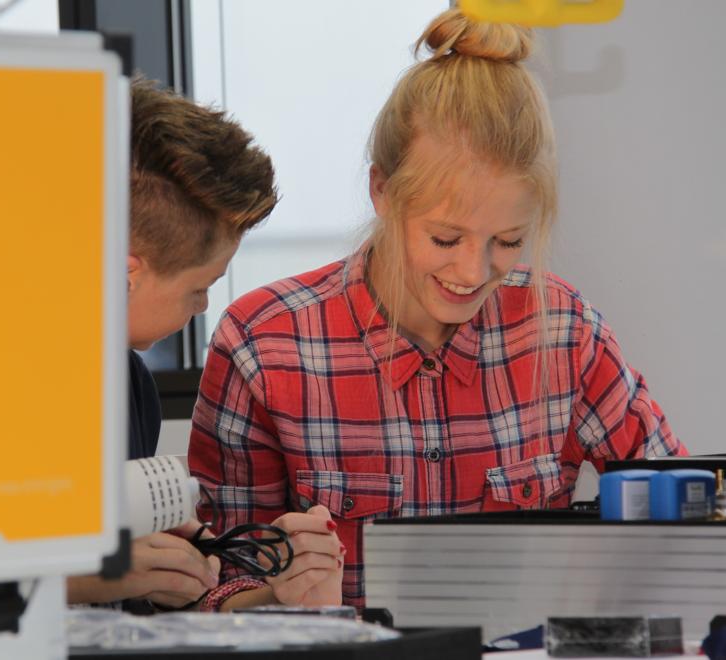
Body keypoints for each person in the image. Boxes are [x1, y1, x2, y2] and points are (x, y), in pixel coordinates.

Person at [188, 8, 686, 611]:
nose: (473, 273)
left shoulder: (563, 332)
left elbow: (680, 511)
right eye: (445, 239)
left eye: (507, 241)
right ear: (381, 191)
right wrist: (273, 595)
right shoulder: (265, 346)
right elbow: (210, 587)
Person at [67, 78, 341, 611]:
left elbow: (138, 605)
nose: (201, 309)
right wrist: (83, 579)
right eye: (200, 288)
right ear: (125, 274)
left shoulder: (128, 388)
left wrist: (265, 595)